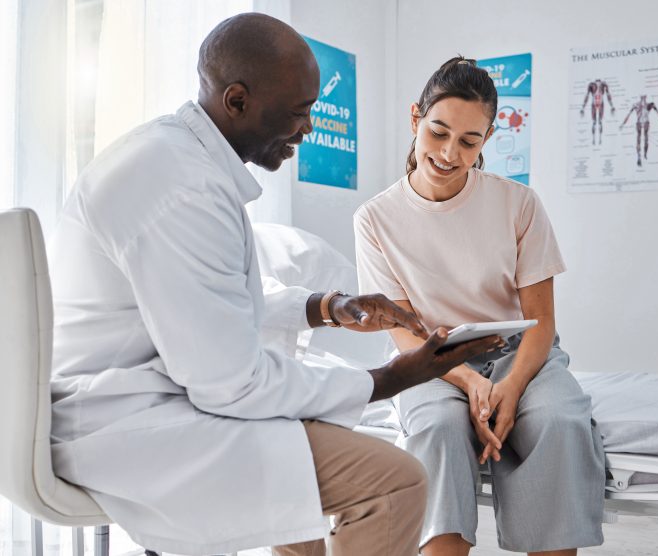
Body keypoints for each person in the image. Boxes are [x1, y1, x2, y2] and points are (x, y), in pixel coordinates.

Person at [48, 15, 501, 556]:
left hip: (143, 395)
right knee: (397, 479)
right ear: (236, 100)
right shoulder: (184, 189)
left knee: (298, 486)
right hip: (125, 423)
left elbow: (213, 306)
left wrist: (329, 307)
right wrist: (386, 379)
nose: (307, 129)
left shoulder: (174, 160)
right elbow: (231, 383)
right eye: (297, 112)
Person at [354, 57, 605, 556]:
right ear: (414, 120)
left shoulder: (519, 203)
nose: (449, 153)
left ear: (486, 141)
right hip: (431, 360)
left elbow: (542, 321)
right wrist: (469, 381)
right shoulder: (375, 219)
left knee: (558, 421)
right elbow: (401, 331)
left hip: (520, 350)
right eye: (438, 132)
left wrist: (508, 387)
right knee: (440, 429)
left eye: (469, 142)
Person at [619, 94, 658, 166]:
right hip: (641, 122)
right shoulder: (638, 105)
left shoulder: (647, 105)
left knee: (644, 139)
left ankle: (644, 154)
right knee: (641, 139)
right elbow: (628, 114)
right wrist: (623, 124)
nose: (643, 98)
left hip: (644, 123)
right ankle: (641, 156)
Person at [579, 78, 615, 145]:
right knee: (594, 122)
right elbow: (587, 96)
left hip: (600, 103)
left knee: (599, 122)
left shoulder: (603, 84)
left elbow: (608, 95)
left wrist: (612, 106)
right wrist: (582, 108)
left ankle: (600, 139)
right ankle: (594, 139)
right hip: (595, 103)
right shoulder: (591, 85)